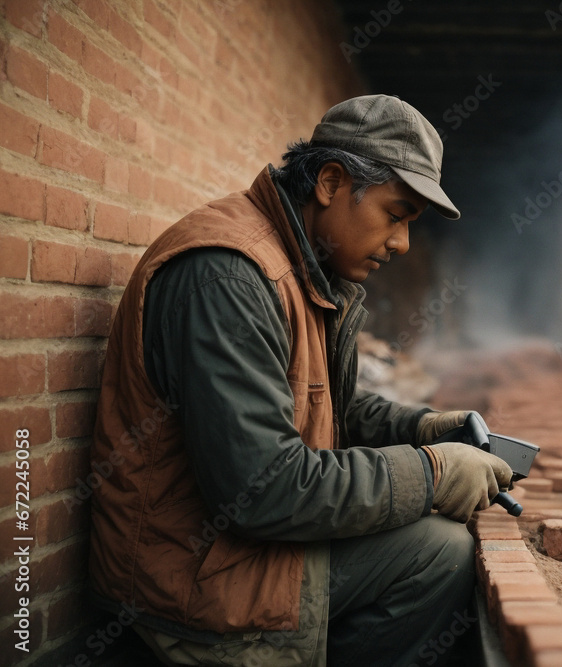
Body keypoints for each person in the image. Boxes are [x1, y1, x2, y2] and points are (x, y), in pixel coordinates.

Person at [88, 94, 513, 666]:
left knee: (433, 537)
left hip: (233, 555)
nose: (402, 244)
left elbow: (327, 409)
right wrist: (432, 474)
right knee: (439, 552)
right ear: (332, 182)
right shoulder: (227, 277)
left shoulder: (300, 264)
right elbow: (261, 489)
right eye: (396, 215)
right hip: (192, 583)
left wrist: (428, 428)